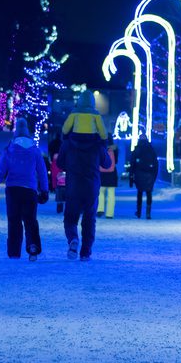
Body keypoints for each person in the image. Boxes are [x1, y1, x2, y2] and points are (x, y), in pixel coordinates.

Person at [58, 91, 111, 261]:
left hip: (73, 186)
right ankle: (86, 252)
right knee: (89, 220)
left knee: (70, 218)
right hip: (91, 187)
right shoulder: (97, 145)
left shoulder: (68, 143)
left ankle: (73, 239)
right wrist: (103, 147)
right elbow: (107, 164)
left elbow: (60, 163)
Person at [0, 117, 49, 260]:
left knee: (14, 220)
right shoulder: (35, 150)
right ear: (27, 131)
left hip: (13, 190)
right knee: (30, 220)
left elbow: (0, 172)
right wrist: (44, 190)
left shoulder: (9, 149)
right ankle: (32, 245)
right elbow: (42, 172)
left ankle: (14, 252)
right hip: (30, 190)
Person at [129, 132, 159, 219]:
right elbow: (156, 163)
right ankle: (148, 213)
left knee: (140, 193)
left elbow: (132, 164)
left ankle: (138, 212)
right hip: (149, 175)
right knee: (149, 193)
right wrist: (154, 176)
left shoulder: (137, 149)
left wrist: (131, 177)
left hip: (139, 174)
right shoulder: (151, 150)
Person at [97, 140, 118, 218]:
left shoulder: (100, 149)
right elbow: (116, 161)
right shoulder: (115, 150)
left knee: (100, 192)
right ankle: (110, 214)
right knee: (111, 194)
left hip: (101, 174)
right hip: (112, 174)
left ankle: (100, 209)